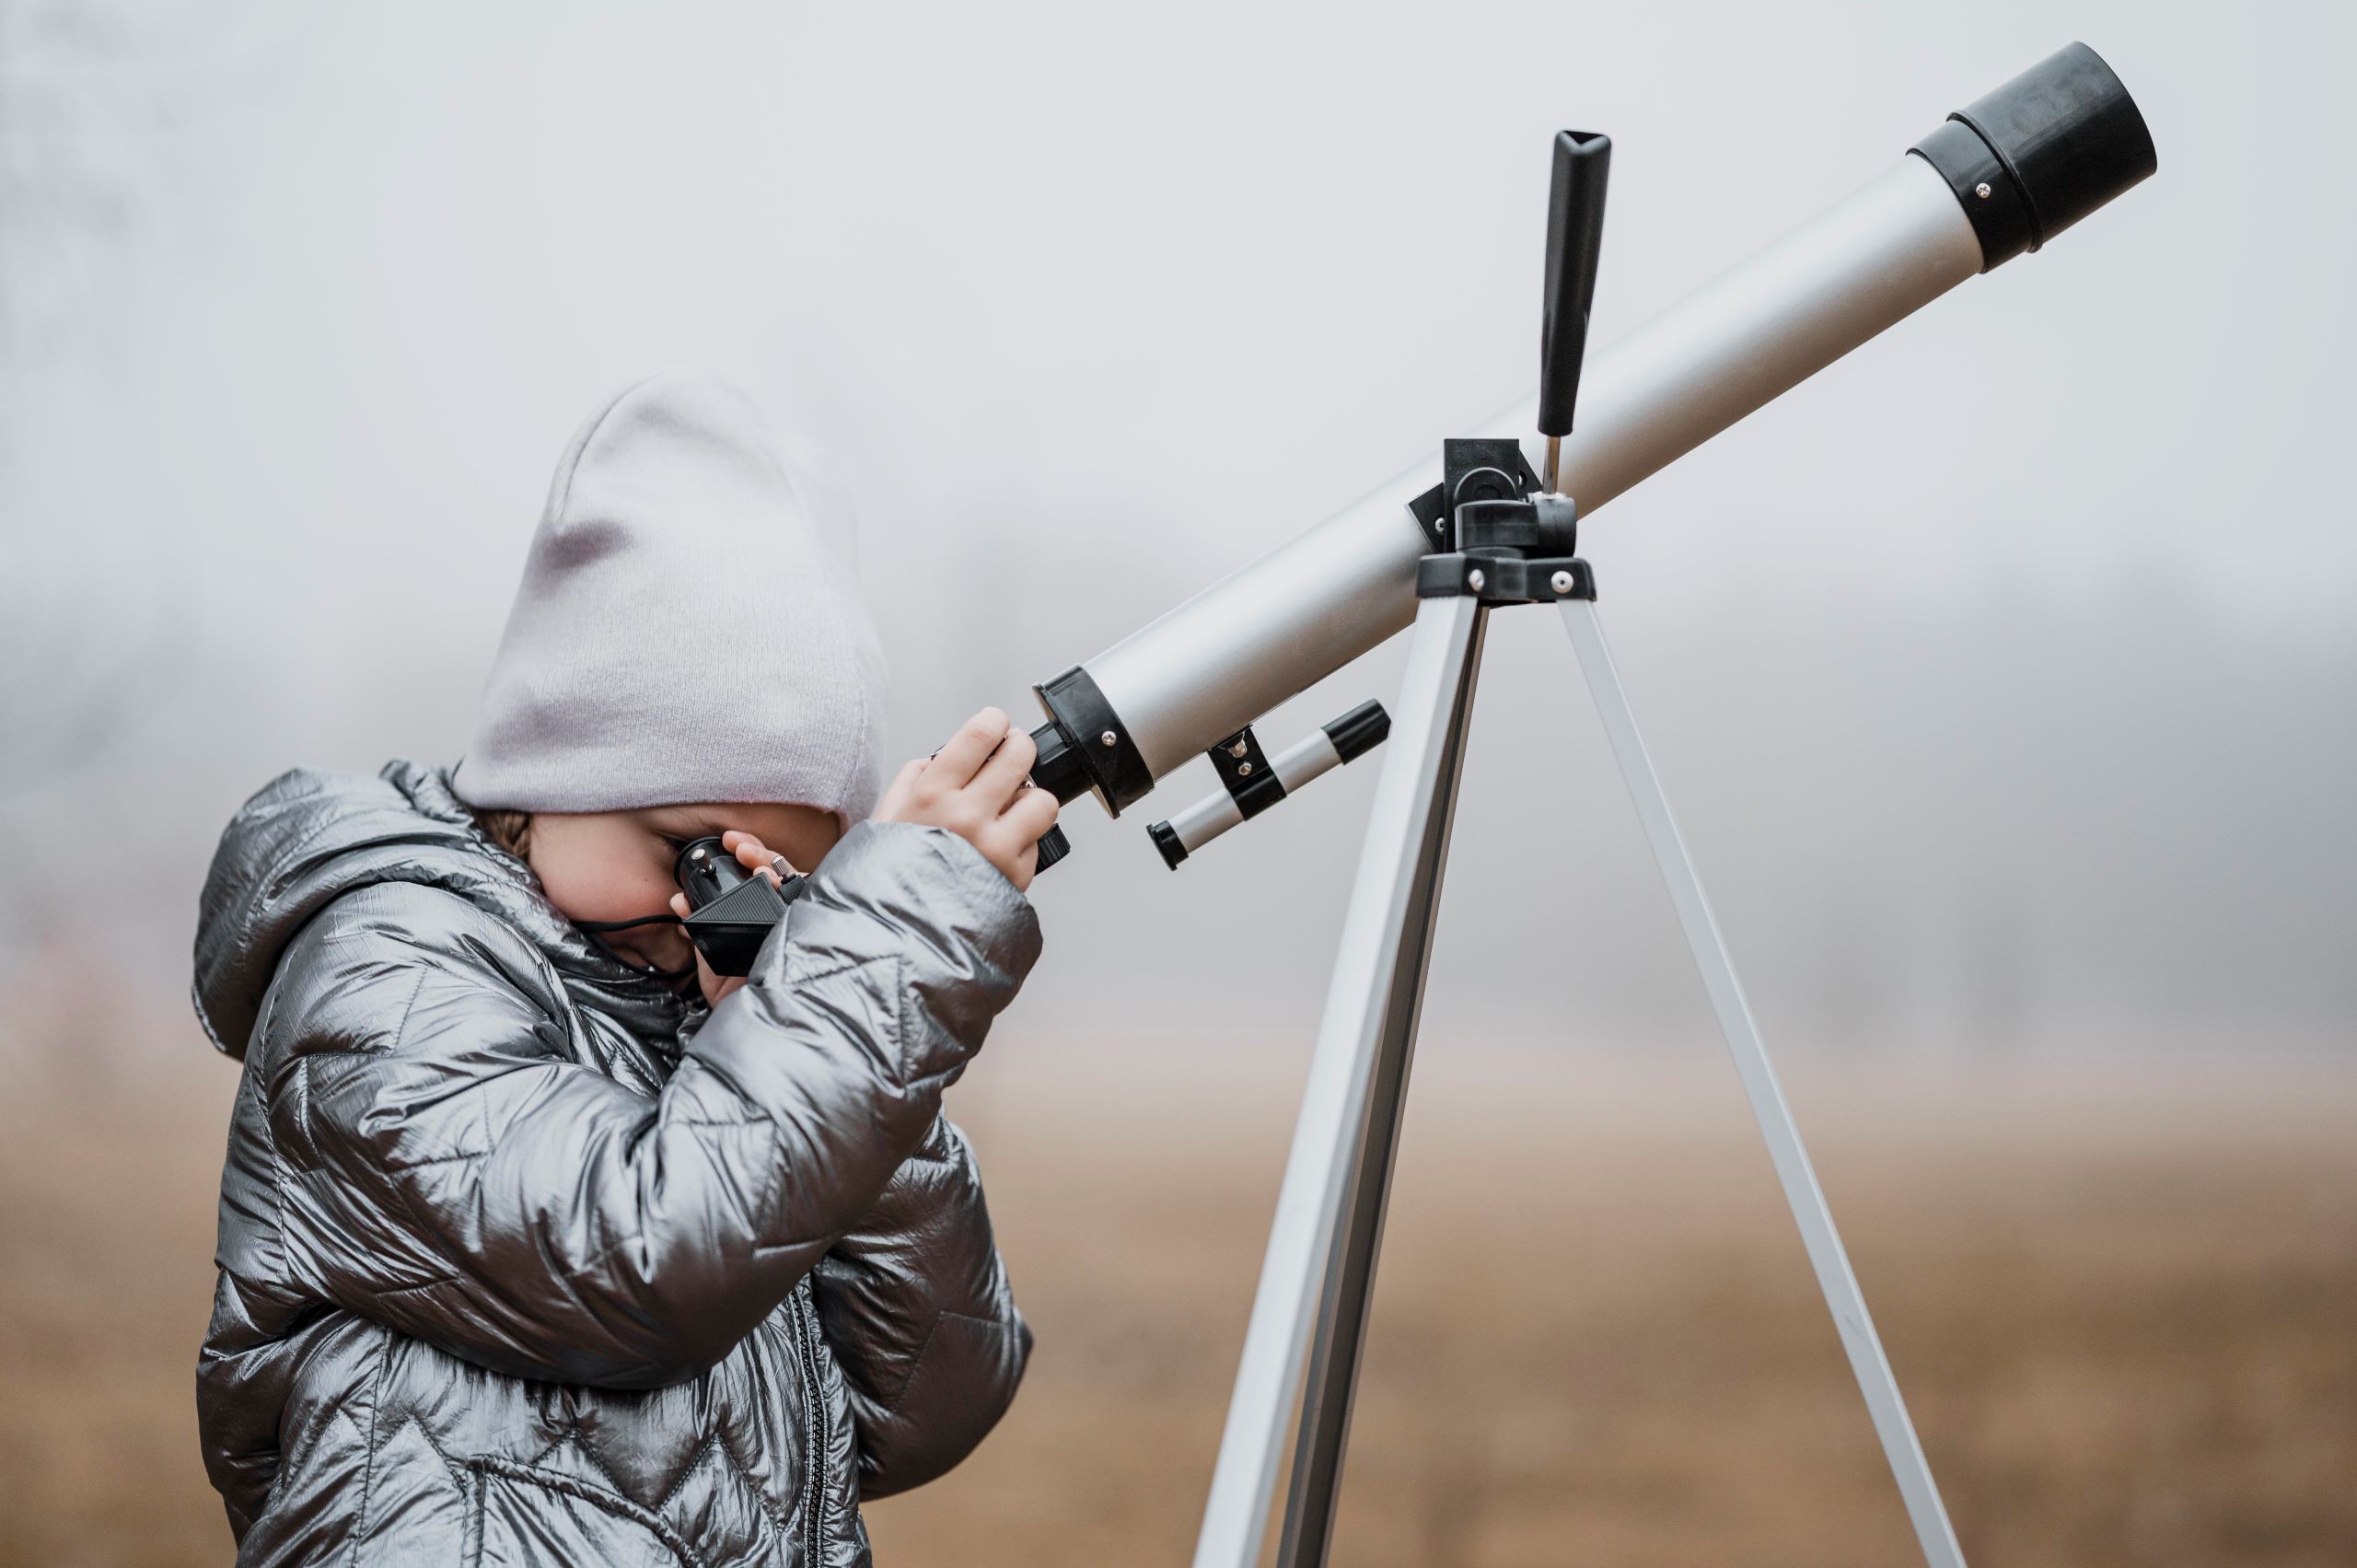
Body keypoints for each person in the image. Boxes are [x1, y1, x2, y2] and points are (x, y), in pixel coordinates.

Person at [189, 374, 1057, 1565]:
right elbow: (642, 1259)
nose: (715, 911)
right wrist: (873, 957)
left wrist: (809, 1010)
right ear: (561, 766)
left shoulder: (749, 1031)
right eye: (696, 856)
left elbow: (929, 1400)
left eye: (777, 881)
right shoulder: (384, 977)